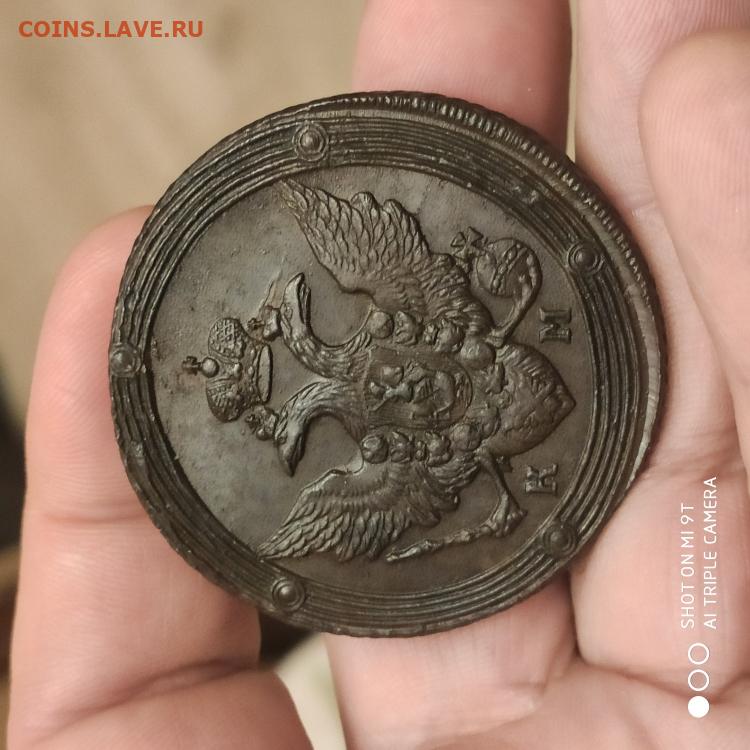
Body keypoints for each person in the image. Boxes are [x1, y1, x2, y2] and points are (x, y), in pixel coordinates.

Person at [8, 1, 750, 747]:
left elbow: (338, 256)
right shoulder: (376, 447)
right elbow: (315, 508)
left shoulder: (396, 312)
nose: (399, 388)